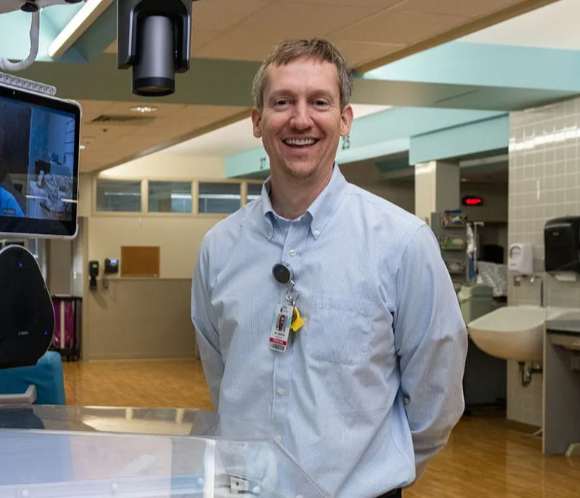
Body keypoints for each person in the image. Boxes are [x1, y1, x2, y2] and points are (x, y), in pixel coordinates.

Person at [191, 38, 467, 498]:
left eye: (319, 102)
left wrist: (377, 472)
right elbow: (222, 376)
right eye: (282, 102)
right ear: (257, 121)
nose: (301, 119)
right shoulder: (219, 249)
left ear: (344, 119)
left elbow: (435, 398)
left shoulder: (402, 244)